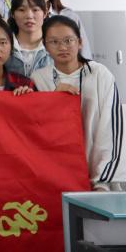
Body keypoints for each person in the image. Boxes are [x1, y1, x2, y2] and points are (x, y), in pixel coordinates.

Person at [31, 15, 125, 190]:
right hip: (59, 176)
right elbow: (37, 129)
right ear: (45, 45)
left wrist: (101, 179)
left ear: (80, 42)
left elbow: (110, 128)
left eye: (69, 40)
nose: (62, 47)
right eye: (54, 42)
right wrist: (53, 100)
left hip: (101, 177)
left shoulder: (100, 74)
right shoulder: (38, 79)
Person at [6, 0, 52, 78]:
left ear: (45, 13)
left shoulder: (55, 47)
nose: (29, 16)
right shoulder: (4, 46)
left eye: (35, 10)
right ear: (12, 14)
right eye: (22, 10)